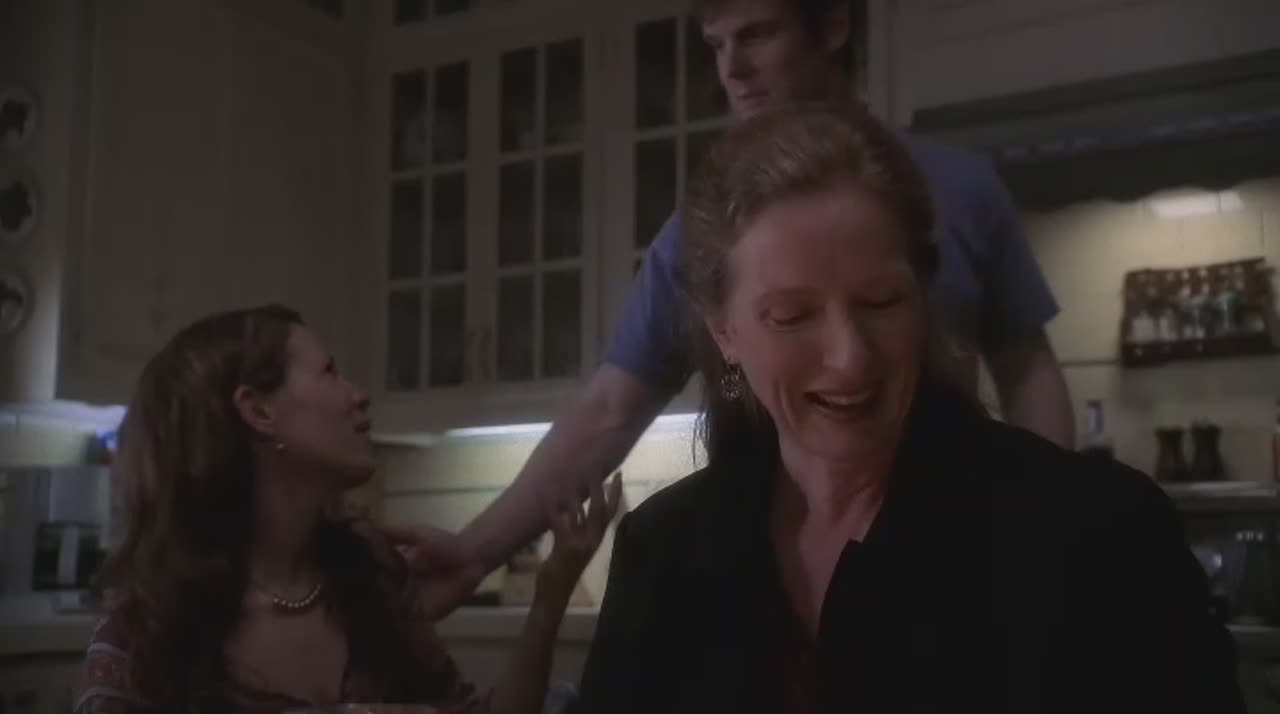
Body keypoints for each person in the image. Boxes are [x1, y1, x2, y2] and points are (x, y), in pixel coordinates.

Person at [388, 0, 1076, 618]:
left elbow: (1027, 368)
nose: (732, 69)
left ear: (834, 25)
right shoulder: (701, 238)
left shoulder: (960, 190)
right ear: (727, 330)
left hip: (954, 557)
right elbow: (609, 411)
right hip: (771, 582)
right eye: (716, 44)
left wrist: (1047, 516)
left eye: (757, 34)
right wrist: (475, 551)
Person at [570, 102, 1242, 713]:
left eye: (882, 302)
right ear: (725, 332)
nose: (850, 358)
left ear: (924, 297)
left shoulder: (1100, 535)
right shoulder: (661, 553)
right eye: (792, 316)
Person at [74, 305, 619, 714]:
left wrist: (552, 590)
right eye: (330, 371)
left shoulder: (371, 580)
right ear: (258, 411)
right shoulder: (146, 638)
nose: (359, 394)